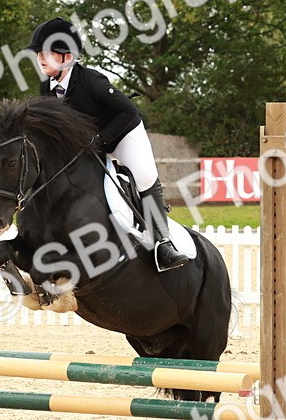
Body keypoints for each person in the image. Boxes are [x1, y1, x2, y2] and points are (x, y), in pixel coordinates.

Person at [28, 17, 189, 272]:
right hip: (89, 144)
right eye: (38, 53)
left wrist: (101, 139)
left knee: (145, 176)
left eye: (46, 53)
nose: (40, 58)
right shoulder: (46, 88)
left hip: (122, 134)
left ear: (67, 57)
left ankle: (163, 244)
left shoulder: (91, 81)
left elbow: (129, 112)